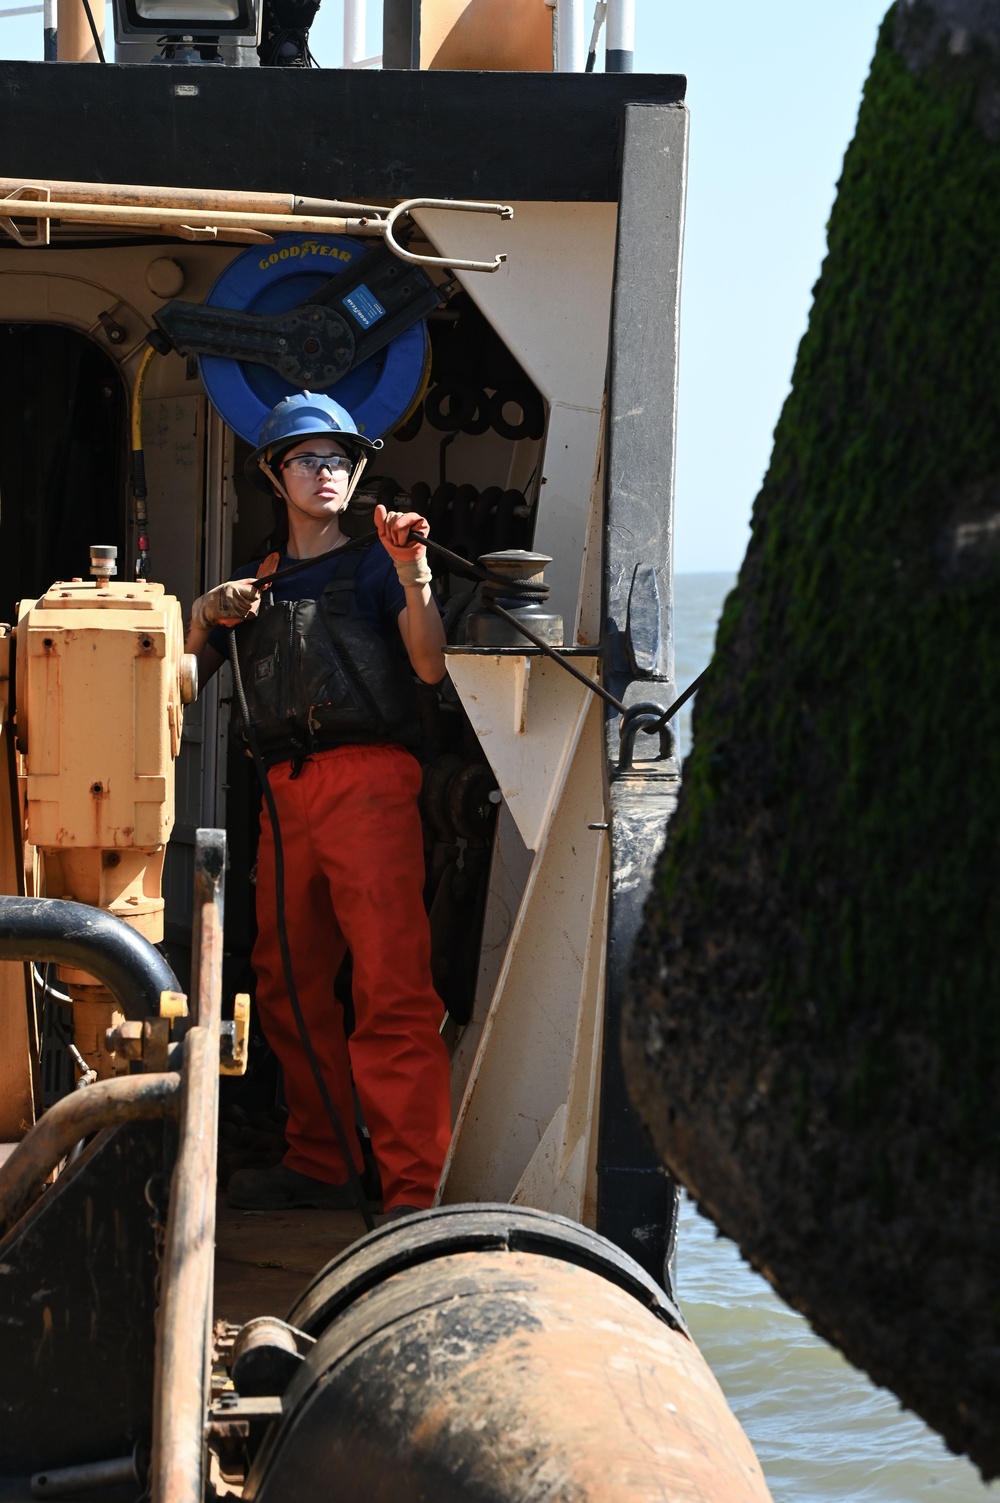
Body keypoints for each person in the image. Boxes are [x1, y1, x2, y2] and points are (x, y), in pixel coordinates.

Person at [186, 392, 452, 1216]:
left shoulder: (377, 562)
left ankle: (413, 1194)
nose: (326, 471)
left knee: (391, 988)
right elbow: (181, 689)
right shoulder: (254, 581)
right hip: (282, 794)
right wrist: (200, 617)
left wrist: (415, 572)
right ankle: (323, 1159)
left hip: (368, 780)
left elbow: (431, 665)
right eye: (307, 458)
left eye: (338, 458)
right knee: (286, 983)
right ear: (274, 474)